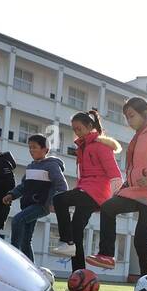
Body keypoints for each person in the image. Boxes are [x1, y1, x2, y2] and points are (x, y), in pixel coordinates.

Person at [86, 97, 147, 279]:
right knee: (108, 207)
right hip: (135, 191)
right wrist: (124, 186)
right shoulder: (137, 137)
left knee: (140, 241)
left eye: (132, 116)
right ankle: (106, 255)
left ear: (145, 114)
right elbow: (134, 170)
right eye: (127, 117)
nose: (129, 121)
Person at [50, 111, 122, 267]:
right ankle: (79, 273)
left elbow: (113, 171)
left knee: (59, 199)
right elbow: (82, 176)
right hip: (86, 190)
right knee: (76, 230)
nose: (76, 132)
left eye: (79, 128)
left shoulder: (100, 145)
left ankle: (66, 241)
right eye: (74, 129)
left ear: (90, 126)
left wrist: (117, 196)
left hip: (95, 192)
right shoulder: (82, 147)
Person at [4, 134, 69, 261]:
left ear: (45, 149)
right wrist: (11, 195)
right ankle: (31, 269)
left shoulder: (52, 165)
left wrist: (55, 203)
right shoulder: (30, 166)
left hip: (42, 205)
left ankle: (12, 257)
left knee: (17, 220)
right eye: (29, 148)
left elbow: (62, 185)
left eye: (34, 147)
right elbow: (24, 186)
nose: (31, 150)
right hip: (28, 205)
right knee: (26, 241)